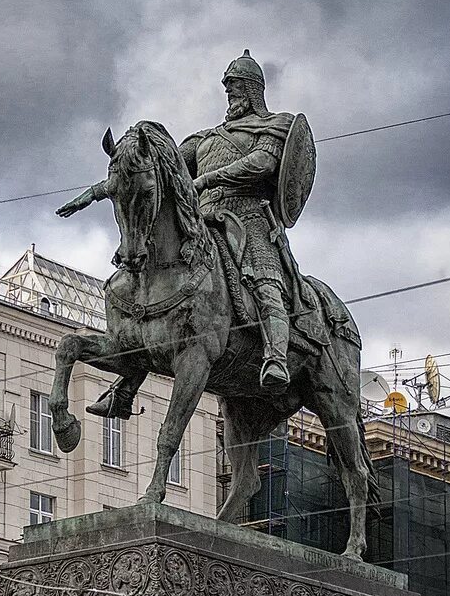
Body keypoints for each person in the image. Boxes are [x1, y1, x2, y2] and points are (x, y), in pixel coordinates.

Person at [56, 49, 296, 419]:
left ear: (253, 90)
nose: (230, 96)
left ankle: (276, 358)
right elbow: (157, 167)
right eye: (228, 90)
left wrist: (212, 177)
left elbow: (262, 163)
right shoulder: (205, 139)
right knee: (150, 281)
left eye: (236, 89)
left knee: (266, 285)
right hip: (202, 218)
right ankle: (126, 382)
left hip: (248, 220)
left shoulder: (274, 127)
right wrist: (99, 189)